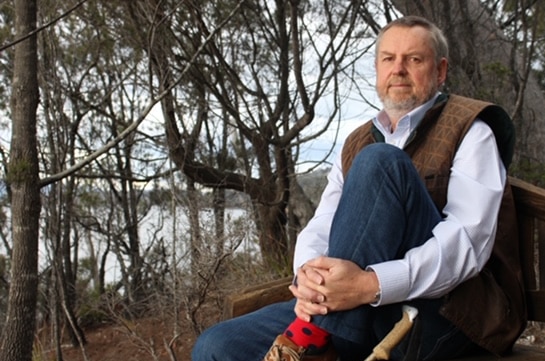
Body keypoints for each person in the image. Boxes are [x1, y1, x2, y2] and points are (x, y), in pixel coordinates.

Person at [191, 15, 527, 361]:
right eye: (388, 59)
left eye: (414, 59)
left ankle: (314, 339)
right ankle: (317, 336)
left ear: (440, 71)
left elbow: (467, 243)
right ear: (378, 70)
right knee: (215, 348)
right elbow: (323, 223)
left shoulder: (471, 129)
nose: (398, 69)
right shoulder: (357, 140)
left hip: (442, 317)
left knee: (380, 162)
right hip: (353, 314)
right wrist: (307, 274)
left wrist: (370, 285)